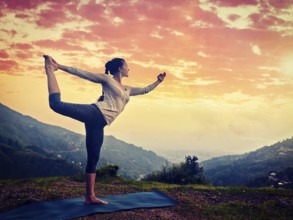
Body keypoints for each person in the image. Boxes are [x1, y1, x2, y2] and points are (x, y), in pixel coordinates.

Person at [43, 55, 166, 205]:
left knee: (93, 159)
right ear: (120, 68)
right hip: (94, 112)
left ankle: (90, 197)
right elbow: (82, 73)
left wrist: (158, 81)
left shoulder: (128, 89)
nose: (129, 68)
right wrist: (59, 66)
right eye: (127, 66)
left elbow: (145, 90)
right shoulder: (107, 79)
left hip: (99, 124)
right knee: (56, 105)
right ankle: (49, 69)